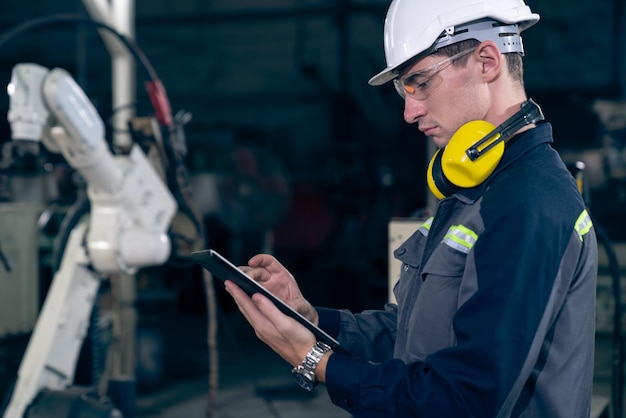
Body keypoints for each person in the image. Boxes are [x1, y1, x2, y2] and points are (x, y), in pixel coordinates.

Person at [224, 0, 599, 416]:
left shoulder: (528, 202)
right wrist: (311, 318)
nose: (409, 111)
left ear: (487, 61)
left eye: (420, 82)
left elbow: (464, 400)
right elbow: (413, 336)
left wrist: (317, 361)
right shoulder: (476, 190)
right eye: (404, 90)